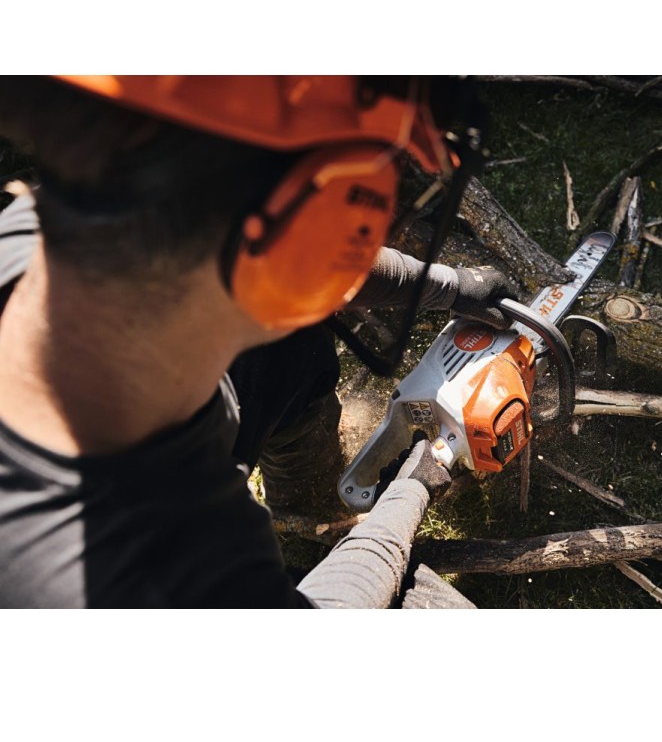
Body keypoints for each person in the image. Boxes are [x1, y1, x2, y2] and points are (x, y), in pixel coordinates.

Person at [0, 75, 516, 608]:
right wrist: (412, 489)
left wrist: (449, 288)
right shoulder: (154, 585)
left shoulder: (56, 224)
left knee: (291, 351)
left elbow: (282, 243)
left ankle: (306, 506)